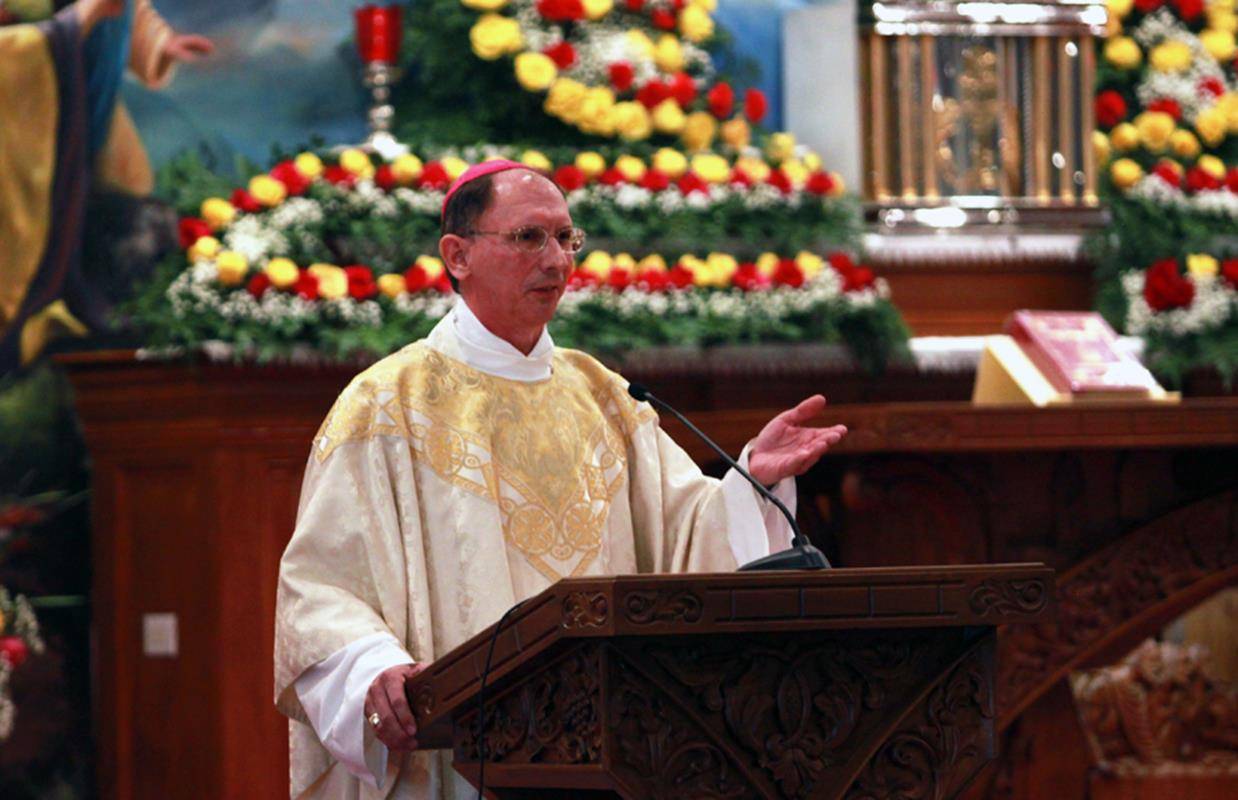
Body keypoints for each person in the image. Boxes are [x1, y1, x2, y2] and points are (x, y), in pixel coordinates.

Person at [274, 159, 848, 799]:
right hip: (458, 757)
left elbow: (684, 534)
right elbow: (319, 586)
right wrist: (371, 667)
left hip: (607, 751)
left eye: (565, 238)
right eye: (528, 237)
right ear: (457, 256)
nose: (556, 261)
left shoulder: (603, 395)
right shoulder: (386, 404)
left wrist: (749, 484)